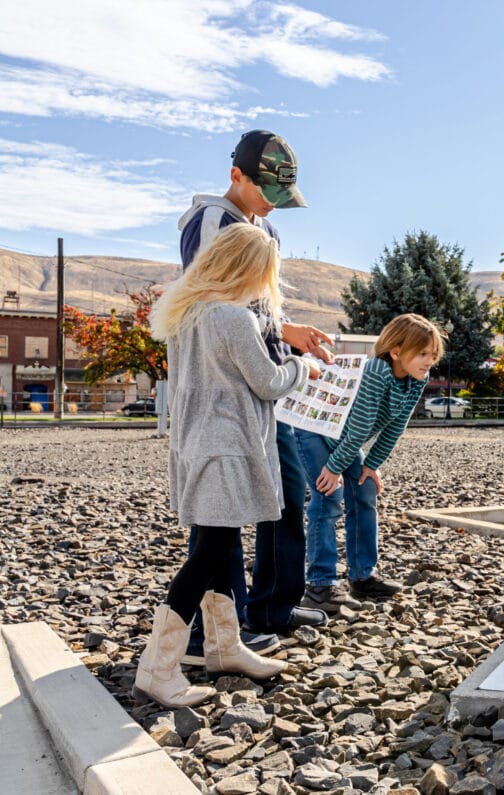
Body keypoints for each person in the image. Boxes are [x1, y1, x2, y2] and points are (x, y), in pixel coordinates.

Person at [135, 224, 313, 708]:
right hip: (229, 448)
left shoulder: (186, 315)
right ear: (249, 270)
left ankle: (224, 646)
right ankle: (157, 668)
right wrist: (303, 366)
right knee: (209, 554)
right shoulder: (234, 319)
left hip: (197, 445)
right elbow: (269, 382)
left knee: (222, 543)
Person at [177, 130, 333, 663]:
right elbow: (217, 300)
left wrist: (286, 329)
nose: (273, 205)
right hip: (232, 390)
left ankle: (271, 607)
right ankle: (211, 634)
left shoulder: (262, 227)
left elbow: (256, 306)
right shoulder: (212, 222)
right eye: (265, 190)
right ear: (235, 176)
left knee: (283, 494)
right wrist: (286, 349)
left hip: (267, 383)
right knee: (220, 517)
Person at [295, 314, 443, 612]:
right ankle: (320, 585)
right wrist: (334, 468)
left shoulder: (416, 378)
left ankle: (362, 576)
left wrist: (371, 465)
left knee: (364, 491)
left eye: (433, 355)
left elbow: (395, 426)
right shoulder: (377, 371)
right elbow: (361, 428)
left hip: (344, 438)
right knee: (328, 497)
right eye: (423, 354)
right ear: (396, 351)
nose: (429, 361)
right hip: (316, 430)